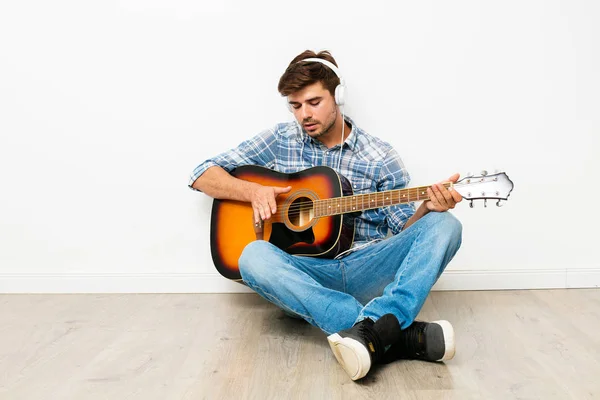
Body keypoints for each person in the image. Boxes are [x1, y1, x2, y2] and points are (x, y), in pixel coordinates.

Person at [189, 50, 463, 381]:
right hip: (306, 276)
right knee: (252, 257)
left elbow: (404, 231)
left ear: (338, 96)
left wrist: (426, 208)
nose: (304, 114)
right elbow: (202, 174)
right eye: (295, 105)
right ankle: (386, 332)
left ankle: (369, 330)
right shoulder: (281, 140)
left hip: (367, 268)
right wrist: (253, 192)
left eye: (314, 102)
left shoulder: (380, 157)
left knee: (446, 225)